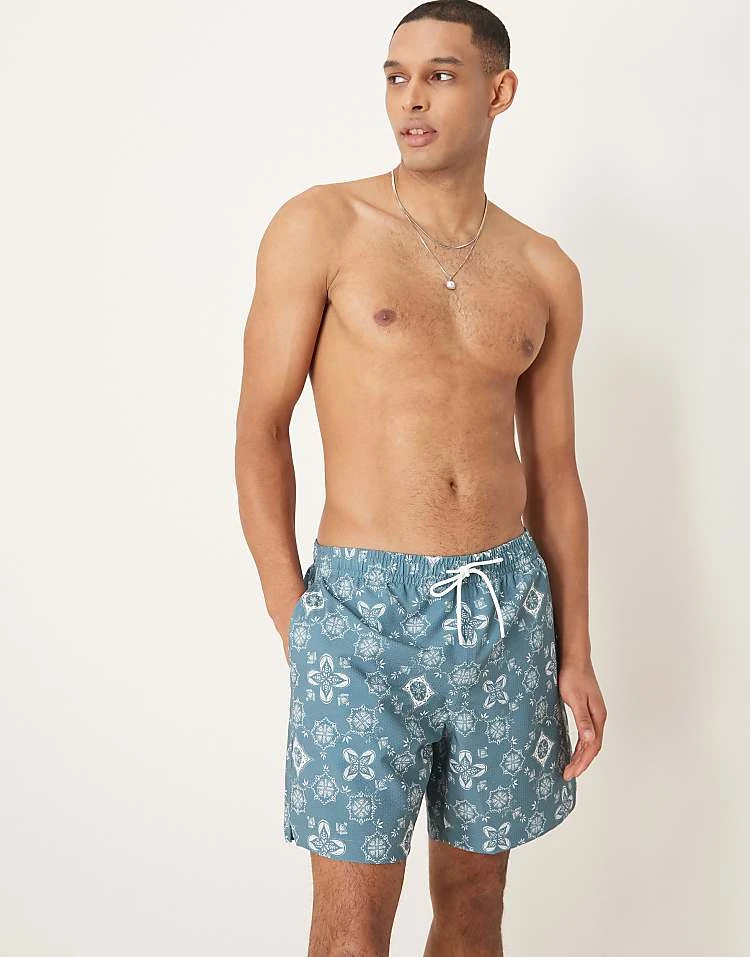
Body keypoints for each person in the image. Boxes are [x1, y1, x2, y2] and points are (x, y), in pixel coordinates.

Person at [234, 2, 607, 954]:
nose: (411, 98)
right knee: (351, 929)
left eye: (440, 75)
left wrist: (574, 649)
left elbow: (555, 473)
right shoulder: (322, 226)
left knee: (476, 906)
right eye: (396, 76)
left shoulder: (544, 269)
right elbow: (261, 427)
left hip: (505, 610)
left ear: (499, 91)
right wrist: (294, 613)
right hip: (359, 616)